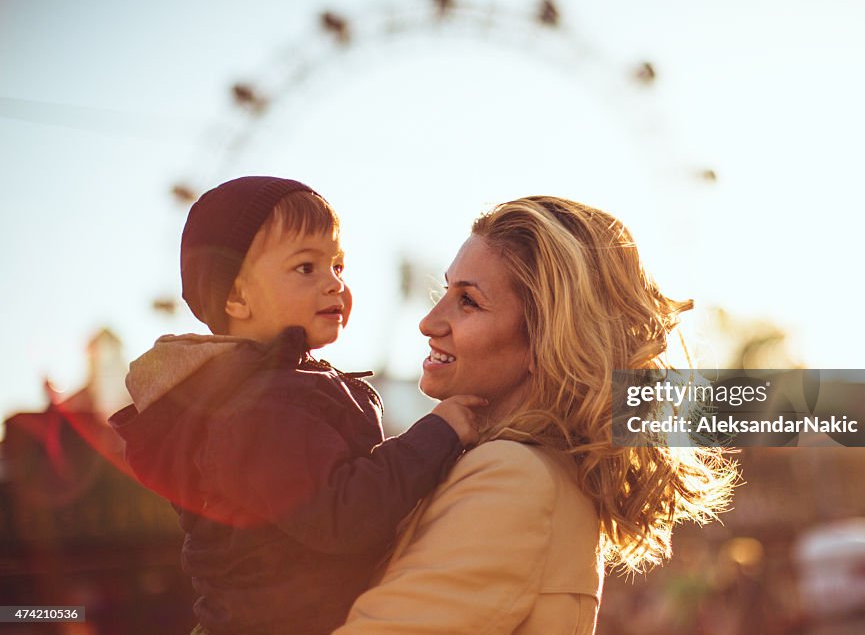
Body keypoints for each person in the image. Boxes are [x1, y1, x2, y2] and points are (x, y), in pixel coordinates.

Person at [336, 196, 737, 634]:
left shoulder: (514, 478)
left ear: (545, 339)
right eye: (444, 291)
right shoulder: (535, 472)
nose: (430, 322)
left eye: (468, 301)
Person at [108, 176, 484, 635]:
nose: (334, 284)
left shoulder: (281, 387)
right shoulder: (255, 409)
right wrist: (438, 433)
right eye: (306, 268)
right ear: (237, 297)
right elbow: (343, 513)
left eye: (339, 267)